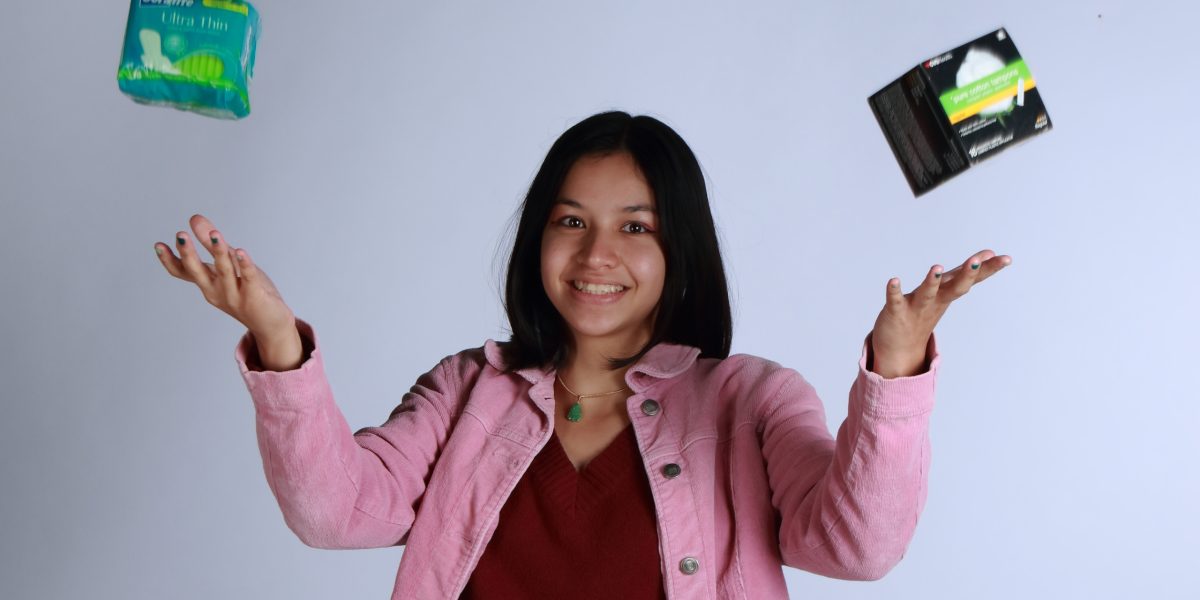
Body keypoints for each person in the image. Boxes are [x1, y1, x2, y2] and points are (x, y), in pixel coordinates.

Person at [154, 111, 1011, 599]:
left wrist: (894, 374)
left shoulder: (751, 399)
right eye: (571, 222)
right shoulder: (465, 388)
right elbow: (336, 513)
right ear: (538, 239)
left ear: (681, 251)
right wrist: (276, 342)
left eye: (635, 227)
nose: (597, 254)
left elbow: (856, 549)